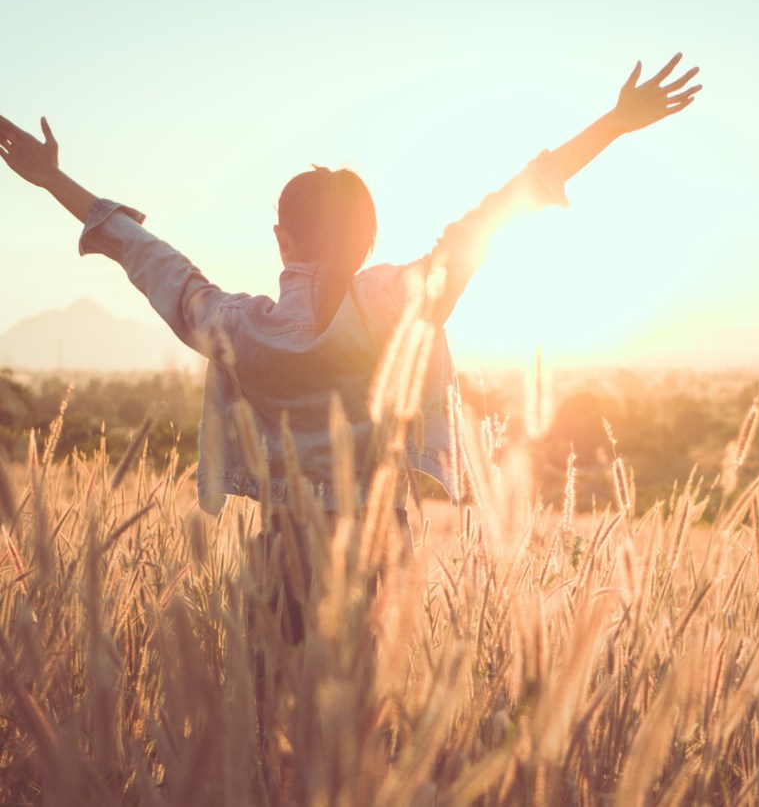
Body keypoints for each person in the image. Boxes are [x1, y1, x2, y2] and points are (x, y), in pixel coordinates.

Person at [0, 54, 701, 544]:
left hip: (281, 558)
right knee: (365, 747)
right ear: (370, 241)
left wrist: (54, 182)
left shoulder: (235, 327)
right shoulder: (400, 305)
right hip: (377, 559)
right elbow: (501, 209)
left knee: (276, 733)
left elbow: (147, 257)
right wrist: (611, 124)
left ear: (281, 238)